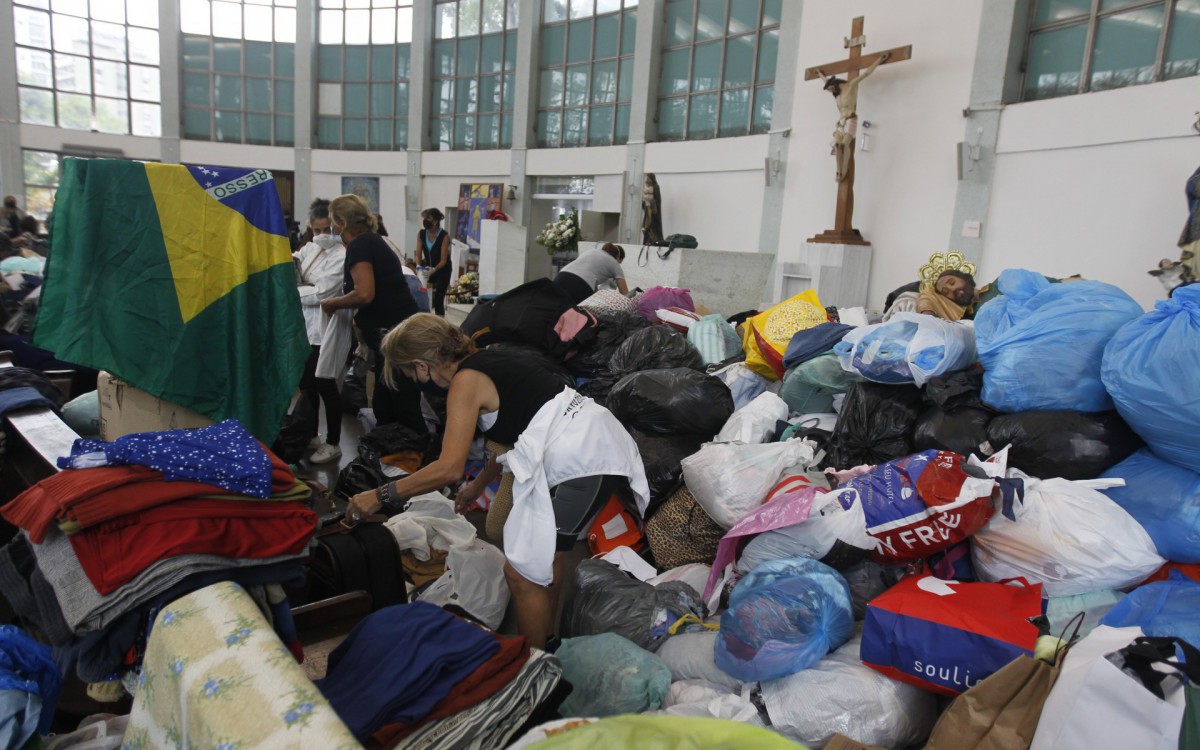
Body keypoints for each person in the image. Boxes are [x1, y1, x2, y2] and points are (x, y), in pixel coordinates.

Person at [345, 314, 649, 648]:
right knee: (547, 559)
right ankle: (546, 641)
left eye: (408, 373)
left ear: (421, 365)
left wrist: (380, 494)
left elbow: (448, 468)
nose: (415, 380)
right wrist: (478, 485)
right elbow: (512, 434)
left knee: (521, 574)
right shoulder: (486, 360)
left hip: (583, 459)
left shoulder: (466, 381)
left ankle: (534, 668)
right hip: (590, 445)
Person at [320, 194, 425, 435]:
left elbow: (365, 293)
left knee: (401, 403)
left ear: (342, 222)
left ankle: (415, 457)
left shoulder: (361, 245)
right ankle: (395, 454)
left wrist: (333, 303)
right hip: (390, 338)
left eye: (332, 222)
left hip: (395, 338)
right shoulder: (372, 241)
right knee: (385, 401)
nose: (331, 228)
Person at [294, 199, 353, 464]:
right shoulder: (308, 249)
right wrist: (306, 287)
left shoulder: (341, 255)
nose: (321, 236)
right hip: (305, 328)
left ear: (337, 226)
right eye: (316, 231)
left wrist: (300, 289)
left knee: (326, 385)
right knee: (306, 384)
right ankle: (311, 433)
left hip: (327, 329)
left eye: (326, 230)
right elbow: (291, 278)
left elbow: (323, 294)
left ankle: (334, 442)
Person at [814, 52, 889, 183]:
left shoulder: (850, 86)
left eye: (831, 88)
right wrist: (819, 74)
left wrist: (879, 60)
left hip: (851, 120)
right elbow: (826, 81)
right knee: (837, 145)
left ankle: (844, 170)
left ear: (836, 84)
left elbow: (865, 74)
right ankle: (838, 171)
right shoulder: (836, 94)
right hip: (841, 122)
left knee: (844, 144)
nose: (830, 91)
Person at [553, 242, 628, 304]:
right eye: (620, 262)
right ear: (618, 257)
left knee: (554, 309)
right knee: (579, 317)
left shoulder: (591, 251)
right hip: (580, 284)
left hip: (561, 276)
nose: (619, 264)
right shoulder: (615, 263)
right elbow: (625, 294)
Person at [416, 208, 451, 316]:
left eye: (428, 218)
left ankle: (441, 323)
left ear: (435, 221)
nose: (425, 220)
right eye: (424, 218)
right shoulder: (421, 234)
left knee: (438, 300)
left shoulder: (444, 236)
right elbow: (418, 253)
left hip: (442, 269)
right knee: (423, 296)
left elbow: (443, 260)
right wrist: (418, 266)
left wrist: (434, 269)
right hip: (427, 268)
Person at [642, 173, 663, 245]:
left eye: (649, 179)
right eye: (646, 179)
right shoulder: (646, 189)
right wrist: (644, 202)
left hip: (653, 213)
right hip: (647, 212)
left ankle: (653, 241)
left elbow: (658, 200)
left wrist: (651, 203)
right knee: (647, 226)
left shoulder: (656, 187)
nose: (647, 180)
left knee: (653, 227)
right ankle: (647, 241)